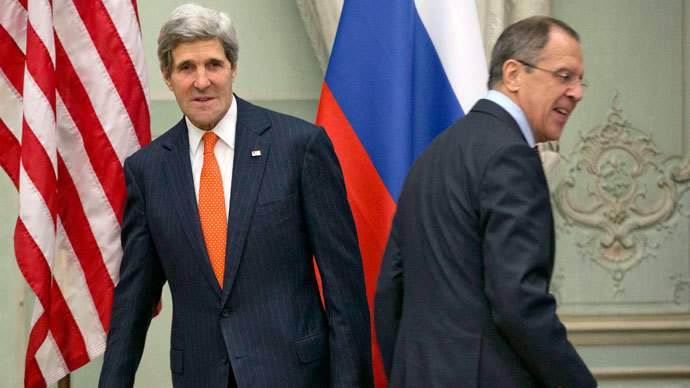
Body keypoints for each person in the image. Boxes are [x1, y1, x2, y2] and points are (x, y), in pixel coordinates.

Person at [98, 4, 373, 387]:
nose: (202, 81)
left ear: (233, 68)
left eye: (213, 64)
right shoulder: (148, 170)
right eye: (186, 68)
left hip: (293, 375)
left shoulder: (299, 147)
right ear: (167, 76)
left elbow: (345, 292)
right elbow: (134, 301)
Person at [374, 16, 597, 387]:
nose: (577, 92)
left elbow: (389, 293)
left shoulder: (433, 155)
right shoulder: (511, 156)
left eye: (579, 80)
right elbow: (518, 304)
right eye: (563, 75)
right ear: (513, 74)